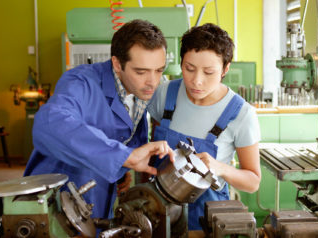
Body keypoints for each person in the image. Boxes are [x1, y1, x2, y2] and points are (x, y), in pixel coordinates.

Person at [24, 19, 174, 220]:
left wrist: (122, 169)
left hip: (100, 195)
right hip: (59, 198)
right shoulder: (81, 82)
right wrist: (122, 157)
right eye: (141, 72)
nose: (153, 82)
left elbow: (123, 137)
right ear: (117, 64)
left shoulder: (139, 92)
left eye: (159, 70)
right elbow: (49, 122)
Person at [147, 23, 261, 230]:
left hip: (206, 221)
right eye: (189, 69)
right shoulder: (165, 94)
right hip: (155, 213)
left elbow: (253, 182)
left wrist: (220, 168)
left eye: (209, 72)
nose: (196, 81)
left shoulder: (241, 114)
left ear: (225, 69)